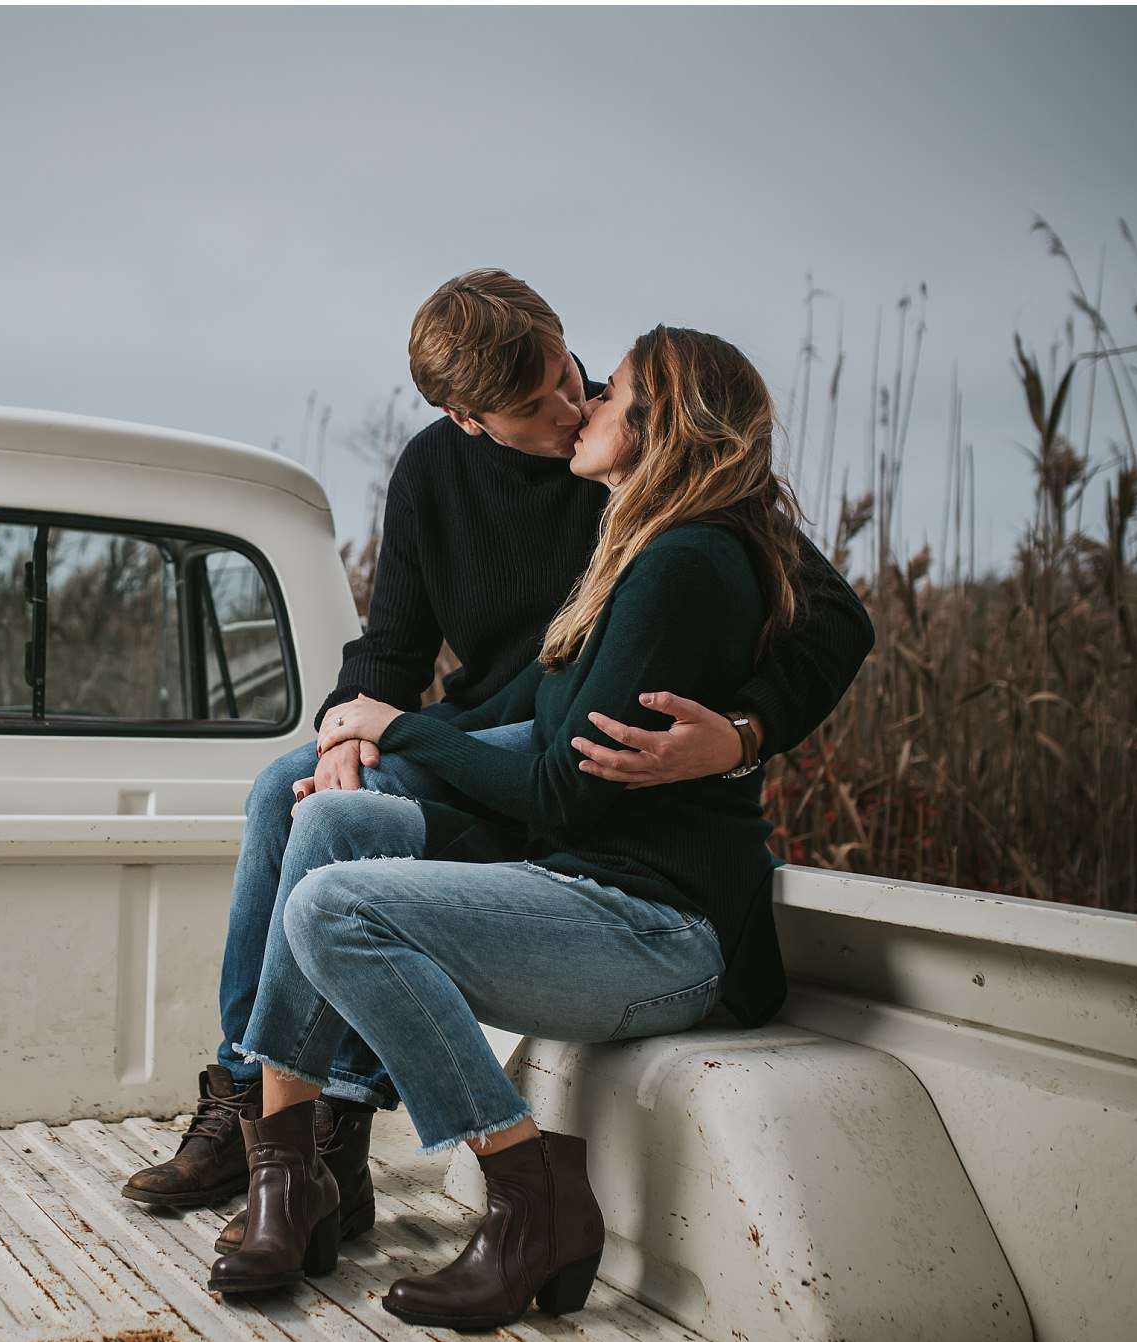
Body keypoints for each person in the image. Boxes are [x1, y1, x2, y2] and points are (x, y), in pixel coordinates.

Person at [121, 271, 875, 1256]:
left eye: (572, 376)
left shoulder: (649, 447)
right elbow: (392, 646)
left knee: (337, 839)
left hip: (556, 750)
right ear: (467, 421)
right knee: (289, 789)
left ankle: (333, 1125)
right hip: (496, 722)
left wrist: (739, 734)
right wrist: (350, 725)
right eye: (535, 405)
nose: (569, 408)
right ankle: (259, 1115)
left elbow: (831, 618)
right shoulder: (436, 473)